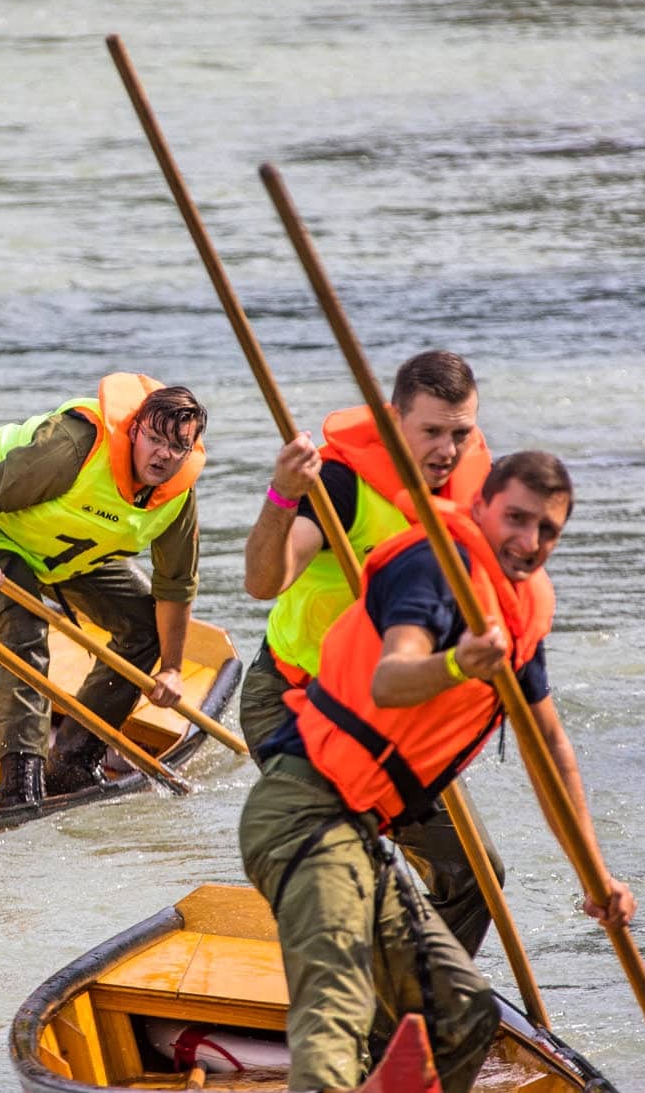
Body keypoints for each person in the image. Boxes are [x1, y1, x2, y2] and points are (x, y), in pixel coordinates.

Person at [238, 452, 636, 1093]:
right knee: (333, 1012)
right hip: (303, 815)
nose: (530, 542)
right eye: (516, 519)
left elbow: (551, 751)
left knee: (462, 1020)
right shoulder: (430, 563)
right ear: (480, 507)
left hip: (361, 828)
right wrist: (459, 666)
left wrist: (596, 872)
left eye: (549, 531)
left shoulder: (518, 611)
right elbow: (392, 678)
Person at [241, 351, 500, 958]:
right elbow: (263, 582)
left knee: (478, 877)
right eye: (430, 431)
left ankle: (415, 1013)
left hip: (392, 717)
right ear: (393, 423)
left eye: (461, 433)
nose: (447, 450)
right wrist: (282, 496)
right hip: (294, 706)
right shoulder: (341, 487)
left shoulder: (474, 494)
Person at [0, 375, 207, 806]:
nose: (163, 455)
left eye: (177, 447)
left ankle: (72, 759)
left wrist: (173, 669)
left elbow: (175, 588)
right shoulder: (75, 446)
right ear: (134, 430)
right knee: (25, 631)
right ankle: (19, 785)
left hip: (65, 552)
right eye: (154, 439)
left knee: (147, 628)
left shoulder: (177, 496)